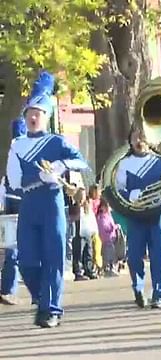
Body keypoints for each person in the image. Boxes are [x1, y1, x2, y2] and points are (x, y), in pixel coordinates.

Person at [6, 71, 89, 328]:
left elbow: (81, 162)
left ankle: (50, 309)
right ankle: (42, 296)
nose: (33, 116)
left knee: (54, 255)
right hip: (30, 202)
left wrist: (60, 166)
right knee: (27, 260)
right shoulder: (17, 145)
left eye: (38, 112)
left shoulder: (56, 141)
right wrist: (37, 176)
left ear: (46, 116)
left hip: (52, 201)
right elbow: (15, 180)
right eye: (30, 112)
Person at [115, 125, 161, 309]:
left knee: (159, 256)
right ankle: (138, 289)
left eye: (143, 136)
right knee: (134, 257)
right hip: (136, 216)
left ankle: (159, 294)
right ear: (130, 140)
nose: (139, 140)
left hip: (156, 215)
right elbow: (117, 190)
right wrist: (130, 195)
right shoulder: (124, 164)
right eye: (135, 137)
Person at [0, 117, 26, 306]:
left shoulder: (10, 149)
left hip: (8, 200)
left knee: (11, 245)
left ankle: (7, 288)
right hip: (22, 200)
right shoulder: (25, 147)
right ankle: (9, 289)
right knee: (20, 246)